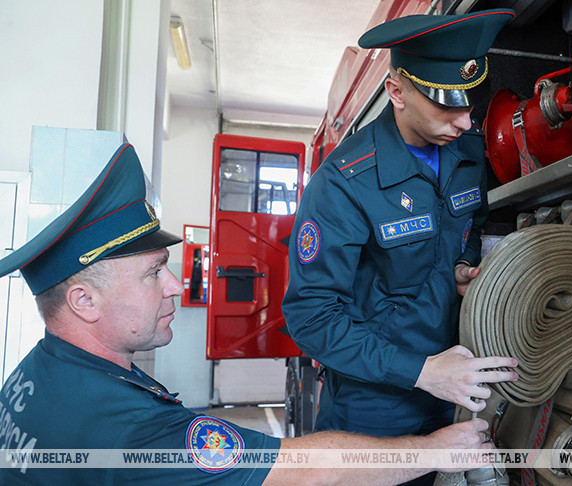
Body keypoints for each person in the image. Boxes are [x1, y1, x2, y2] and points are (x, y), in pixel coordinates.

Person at [0, 144, 492, 485]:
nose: (176, 284)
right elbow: (310, 471)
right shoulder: (123, 426)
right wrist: (436, 451)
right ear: (84, 301)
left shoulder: (35, 375)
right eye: (153, 274)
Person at [281, 8, 519, 444]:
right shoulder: (343, 182)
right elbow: (311, 316)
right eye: (447, 105)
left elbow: (473, 224)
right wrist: (423, 372)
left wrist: (462, 268)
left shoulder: (467, 153)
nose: (465, 121)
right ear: (396, 91)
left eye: (470, 102)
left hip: (459, 384)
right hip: (375, 402)